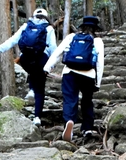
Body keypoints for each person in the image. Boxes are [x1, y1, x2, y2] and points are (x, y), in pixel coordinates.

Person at [0, 8, 57, 126]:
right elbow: (53, 47)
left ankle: (31, 89)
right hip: (42, 59)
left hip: (25, 59)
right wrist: (52, 64)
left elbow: (12, 41)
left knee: (32, 72)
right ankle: (37, 117)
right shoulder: (49, 28)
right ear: (46, 17)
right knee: (40, 89)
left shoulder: (26, 26)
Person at [44, 15, 104, 143]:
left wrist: (47, 67)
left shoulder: (72, 37)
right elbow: (100, 63)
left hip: (70, 72)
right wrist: (97, 83)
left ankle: (69, 121)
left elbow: (58, 52)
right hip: (89, 74)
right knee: (87, 101)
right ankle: (87, 128)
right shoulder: (97, 41)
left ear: (82, 26)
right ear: (95, 28)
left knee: (70, 99)